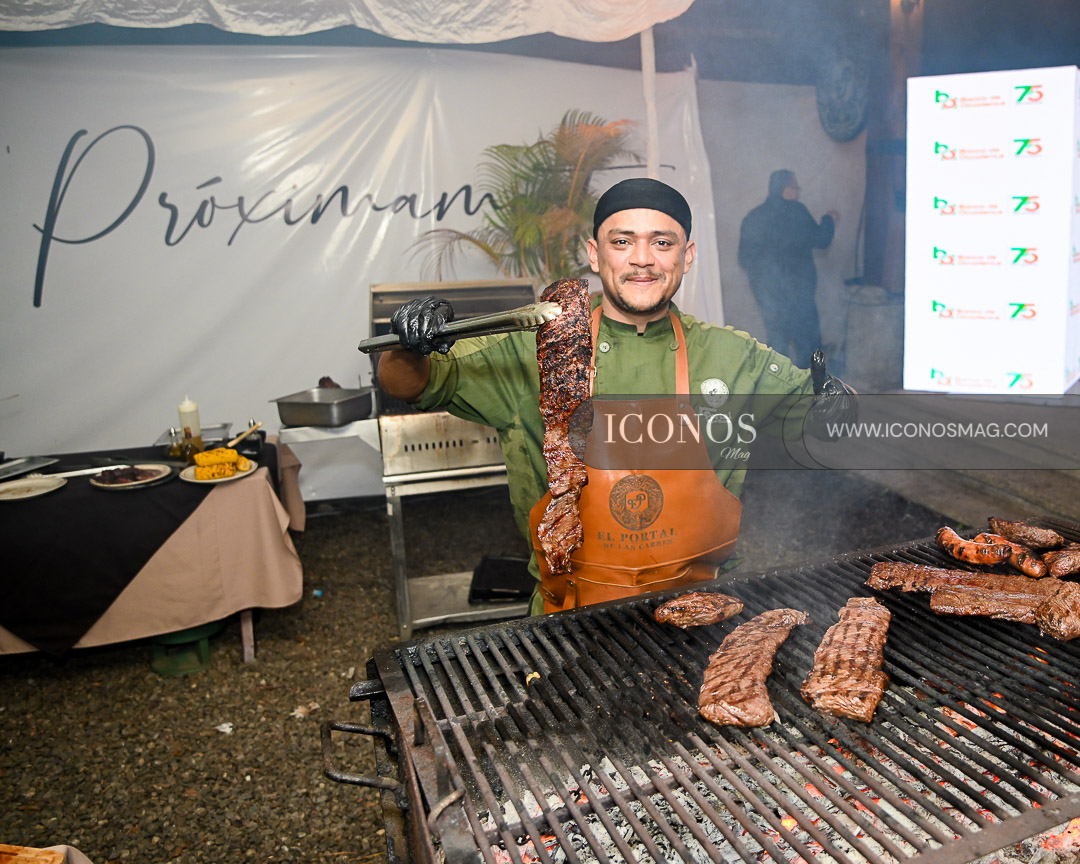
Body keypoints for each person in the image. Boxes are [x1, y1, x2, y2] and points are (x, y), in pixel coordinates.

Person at [377, 177, 854, 614]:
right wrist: (408, 345)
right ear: (594, 253)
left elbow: (830, 424)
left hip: (703, 611)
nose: (642, 258)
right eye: (622, 241)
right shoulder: (535, 348)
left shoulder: (733, 356)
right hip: (569, 617)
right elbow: (411, 384)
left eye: (662, 243)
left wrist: (840, 400)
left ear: (686, 256)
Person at [738, 170, 838, 369]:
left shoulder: (753, 217)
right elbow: (821, 239)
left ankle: (778, 385)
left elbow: (744, 259)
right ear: (787, 190)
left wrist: (765, 282)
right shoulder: (796, 211)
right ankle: (809, 385)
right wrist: (829, 219)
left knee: (777, 344)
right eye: (796, 187)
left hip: (768, 295)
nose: (798, 193)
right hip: (798, 294)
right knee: (808, 344)